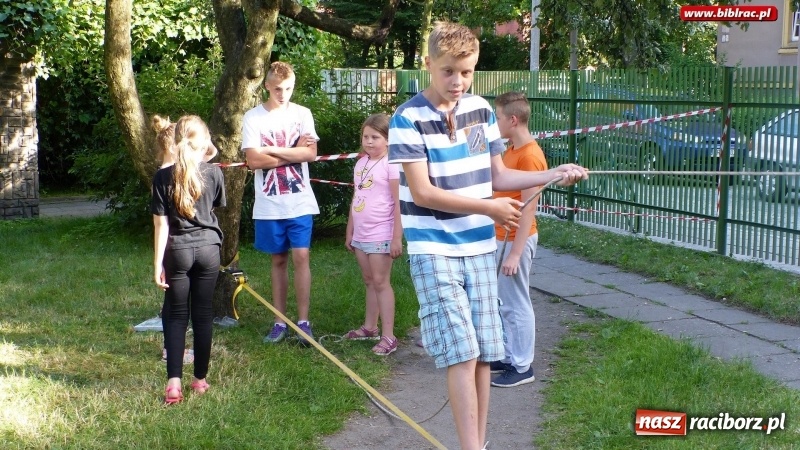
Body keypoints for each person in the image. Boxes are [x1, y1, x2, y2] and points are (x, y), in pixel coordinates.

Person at [387, 22, 587, 450]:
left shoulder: (479, 110)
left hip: (479, 246)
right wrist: (488, 207)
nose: (457, 81)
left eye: (466, 72)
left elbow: (496, 174)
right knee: (461, 351)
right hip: (434, 248)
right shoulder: (408, 119)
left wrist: (554, 173)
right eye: (448, 72)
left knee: (483, 353)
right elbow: (423, 192)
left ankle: (478, 444)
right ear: (428, 66)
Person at [241, 61, 320, 344]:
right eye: (277, 89)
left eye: (287, 88)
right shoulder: (253, 117)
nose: (282, 94)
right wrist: (293, 150)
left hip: (300, 202)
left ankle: (303, 322)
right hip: (269, 203)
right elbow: (253, 160)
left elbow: (310, 155)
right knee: (278, 259)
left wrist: (272, 150)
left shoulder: (303, 114)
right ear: (266, 86)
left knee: (301, 257)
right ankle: (280, 322)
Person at [151, 115, 226, 404]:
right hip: (209, 250)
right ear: (205, 142)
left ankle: (173, 384)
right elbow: (217, 206)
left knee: (176, 315)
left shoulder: (162, 176)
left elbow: (161, 226)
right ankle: (200, 380)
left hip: (177, 252)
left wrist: (158, 264)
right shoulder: (215, 173)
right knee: (203, 314)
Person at [489, 92, 547, 388]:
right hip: (501, 237)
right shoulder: (511, 149)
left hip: (515, 241)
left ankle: (523, 366)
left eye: (497, 117)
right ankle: (510, 356)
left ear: (512, 120)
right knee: (504, 302)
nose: (494, 122)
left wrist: (515, 253)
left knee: (516, 302)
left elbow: (529, 210)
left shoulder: (529, 156)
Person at [343, 114, 403, 355]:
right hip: (361, 234)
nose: (368, 142)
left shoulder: (391, 164)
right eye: (365, 137)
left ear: (388, 140)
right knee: (369, 281)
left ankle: (389, 336)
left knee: (381, 282)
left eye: (375, 137)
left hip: (382, 233)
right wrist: (350, 229)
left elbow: (399, 203)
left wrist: (396, 237)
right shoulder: (361, 163)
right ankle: (370, 327)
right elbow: (356, 197)